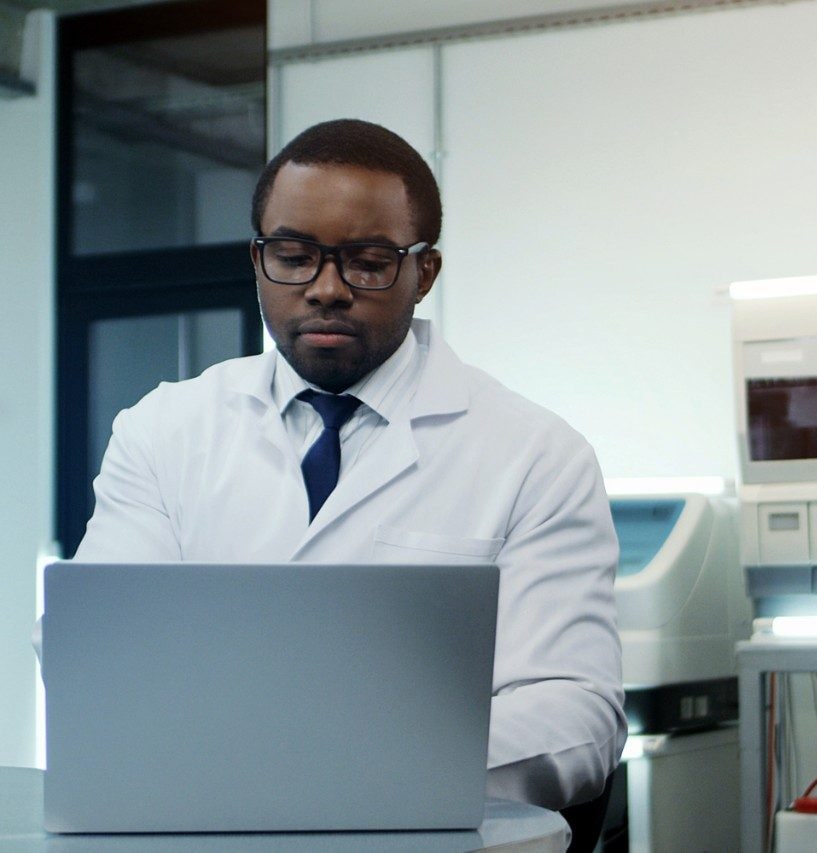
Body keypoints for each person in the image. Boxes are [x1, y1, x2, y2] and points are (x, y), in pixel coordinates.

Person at [71, 118, 627, 812]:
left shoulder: (535, 454)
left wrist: (347, 771)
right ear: (258, 260)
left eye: (367, 260)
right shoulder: (162, 429)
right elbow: (99, 654)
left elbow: (575, 714)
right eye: (295, 255)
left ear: (423, 273)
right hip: (201, 821)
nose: (327, 288)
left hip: (418, 828)